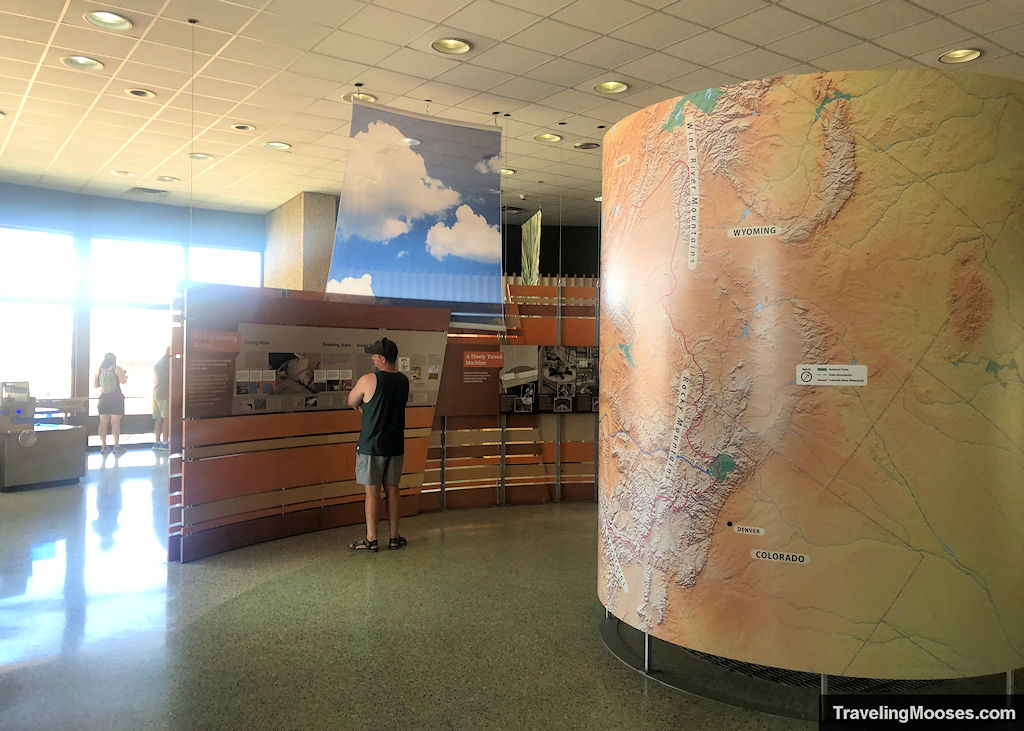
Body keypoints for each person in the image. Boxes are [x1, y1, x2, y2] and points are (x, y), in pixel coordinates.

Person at [347, 337, 409, 553]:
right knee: (393, 490)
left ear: (383, 359)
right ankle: (394, 537)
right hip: (395, 444)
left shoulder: (368, 379)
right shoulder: (403, 380)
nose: (372, 358)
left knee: (372, 492)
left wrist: (362, 408)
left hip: (372, 446)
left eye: (374, 355)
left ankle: (371, 540)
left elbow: (351, 401)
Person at [94, 352, 127, 456]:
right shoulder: (117, 369)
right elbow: (123, 381)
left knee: (103, 423)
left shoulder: (98, 370)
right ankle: (116, 446)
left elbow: (95, 385)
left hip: (103, 399)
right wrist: (125, 377)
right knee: (115, 423)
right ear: (114, 359)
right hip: (116, 398)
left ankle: (103, 446)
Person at [152, 347, 170, 450]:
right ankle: (165, 443)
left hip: (155, 392)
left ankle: (157, 442)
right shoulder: (169, 362)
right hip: (165, 393)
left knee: (158, 419)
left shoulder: (158, 363)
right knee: (166, 419)